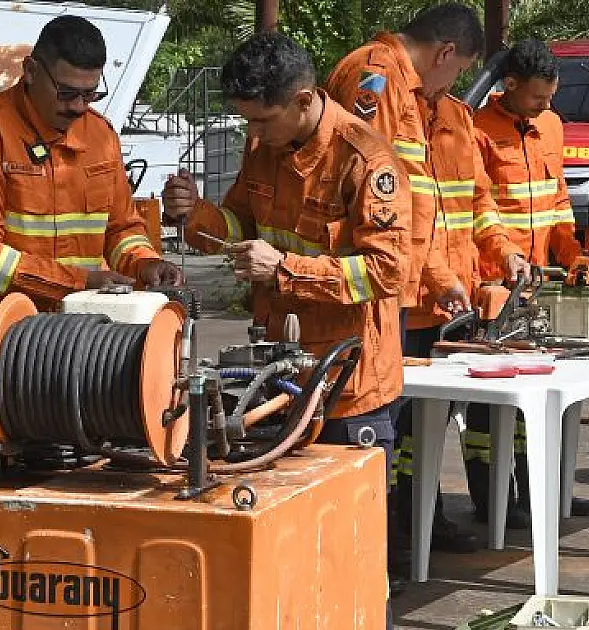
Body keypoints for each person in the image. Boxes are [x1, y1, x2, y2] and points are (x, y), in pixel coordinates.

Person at [159, 32, 408, 629]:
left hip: (348, 388)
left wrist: (287, 269)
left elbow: (389, 271)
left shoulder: (366, 160)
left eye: (262, 120)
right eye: (247, 120)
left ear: (302, 100)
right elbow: (238, 225)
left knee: (351, 551)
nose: (254, 131)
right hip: (278, 376)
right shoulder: (264, 146)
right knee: (291, 542)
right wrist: (193, 213)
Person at [0, 15, 181, 433]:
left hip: (81, 359)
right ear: (31, 71)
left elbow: (122, 229)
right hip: (0, 355)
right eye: (67, 93)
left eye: (90, 94)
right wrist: (79, 282)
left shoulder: (100, 136)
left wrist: (144, 263)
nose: (78, 107)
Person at [324, 0, 487, 561]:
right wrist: (434, 273)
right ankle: (377, 550)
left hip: (402, 281)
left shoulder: (408, 90)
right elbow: (384, 197)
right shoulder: (378, 78)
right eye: (458, 69)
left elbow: (417, 203)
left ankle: (407, 531)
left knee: (398, 421)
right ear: (445, 52)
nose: (453, 83)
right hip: (374, 282)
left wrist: (438, 274)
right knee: (370, 424)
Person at [388, 85, 530, 560]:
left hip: (452, 305)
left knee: (433, 423)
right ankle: (399, 526)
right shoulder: (397, 112)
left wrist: (505, 251)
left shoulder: (458, 118)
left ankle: (424, 518)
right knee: (402, 426)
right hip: (411, 301)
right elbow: (408, 223)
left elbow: (480, 203)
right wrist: (440, 277)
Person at [470, 38, 589, 526]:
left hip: (539, 284)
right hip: (493, 285)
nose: (545, 105)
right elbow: (477, 208)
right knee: (490, 406)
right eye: (537, 97)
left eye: (551, 96)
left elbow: (557, 197)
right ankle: (492, 501)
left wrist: (572, 251)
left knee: (539, 397)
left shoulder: (552, 126)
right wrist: (504, 256)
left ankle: (540, 494)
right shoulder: (477, 130)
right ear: (509, 85)